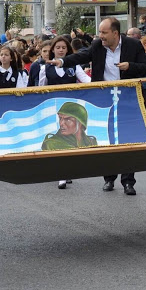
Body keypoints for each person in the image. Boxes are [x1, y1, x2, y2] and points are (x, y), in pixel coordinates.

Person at [49, 17, 146, 195]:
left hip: (128, 98)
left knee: (128, 141)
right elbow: (81, 55)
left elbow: (144, 67)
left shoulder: (133, 45)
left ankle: (128, 181)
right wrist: (63, 62)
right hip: (104, 99)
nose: (100, 36)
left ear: (115, 33)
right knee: (108, 138)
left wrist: (130, 66)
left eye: (104, 32)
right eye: (100, 32)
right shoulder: (97, 46)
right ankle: (109, 178)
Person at [39, 36, 91, 189]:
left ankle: (66, 171)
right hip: (54, 108)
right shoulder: (45, 68)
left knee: (70, 140)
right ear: (53, 50)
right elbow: (40, 88)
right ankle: (60, 173)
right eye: (58, 47)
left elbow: (87, 81)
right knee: (58, 139)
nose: (61, 50)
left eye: (63, 47)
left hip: (70, 109)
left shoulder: (74, 65)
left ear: (67, 50)